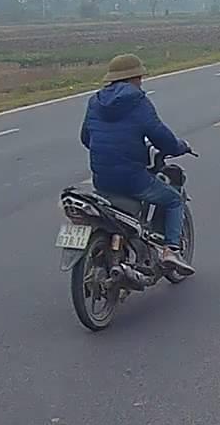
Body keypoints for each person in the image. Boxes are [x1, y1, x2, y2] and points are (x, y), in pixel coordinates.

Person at [80, 54, 195, 276]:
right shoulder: (138, 102)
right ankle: (171, 250)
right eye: (140, 77)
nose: (141, 81)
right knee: (173, 199)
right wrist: (180, 147)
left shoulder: (95, 101)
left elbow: (86, 137)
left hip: (101, 179)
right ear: (133, 78)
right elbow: (161, 137)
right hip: (132, 179)